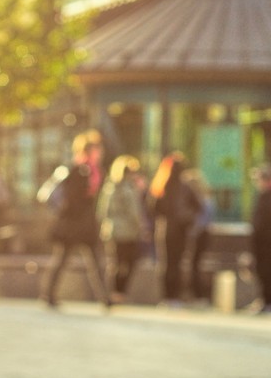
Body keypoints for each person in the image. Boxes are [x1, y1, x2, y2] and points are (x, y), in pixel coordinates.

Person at [39, 130, 112, 309]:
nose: (100, 153)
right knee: (63, 260)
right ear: (89, 151)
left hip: (85, 224)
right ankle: (48, 294)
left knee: (96, 261)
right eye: (97, 149)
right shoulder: (78, 171)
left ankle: (105, 298)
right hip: (73, 225)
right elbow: (73, 199)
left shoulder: (95, 171)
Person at [149, 152, 201, 306]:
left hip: (169, 229)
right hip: (177, 230)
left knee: (169, 263)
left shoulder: (162, 185)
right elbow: (198, 207)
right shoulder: (179, 187)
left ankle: (169, 296)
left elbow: (152, 208)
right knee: (175, 263)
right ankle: (173, 296)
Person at [99, 154, 148, 304]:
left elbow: (102, 211)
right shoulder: (128, 188)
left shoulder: (109, 187)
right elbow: (134, 212)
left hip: (112, 230)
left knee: (116, 262)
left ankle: (114, 292)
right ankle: (119, 292)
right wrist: (142, 226)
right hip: (128, 231)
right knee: (128, 262)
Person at [248, 164, 271, 313]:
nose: (257, 183)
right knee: (262, 271)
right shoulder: (264, 196)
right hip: (261, 240)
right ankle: (265, 300)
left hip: (267, 242)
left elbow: (270, 222)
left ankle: (270, 301)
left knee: (267, 270)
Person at [183, 168, 215, 303]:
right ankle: (195, 294)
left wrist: (192, 233)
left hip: (200, 235)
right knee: (194, 264)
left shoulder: (203, 201)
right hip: (201, 234)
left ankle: (199, 294)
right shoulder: (205, 199)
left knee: (195, 264)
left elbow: (202, 221)